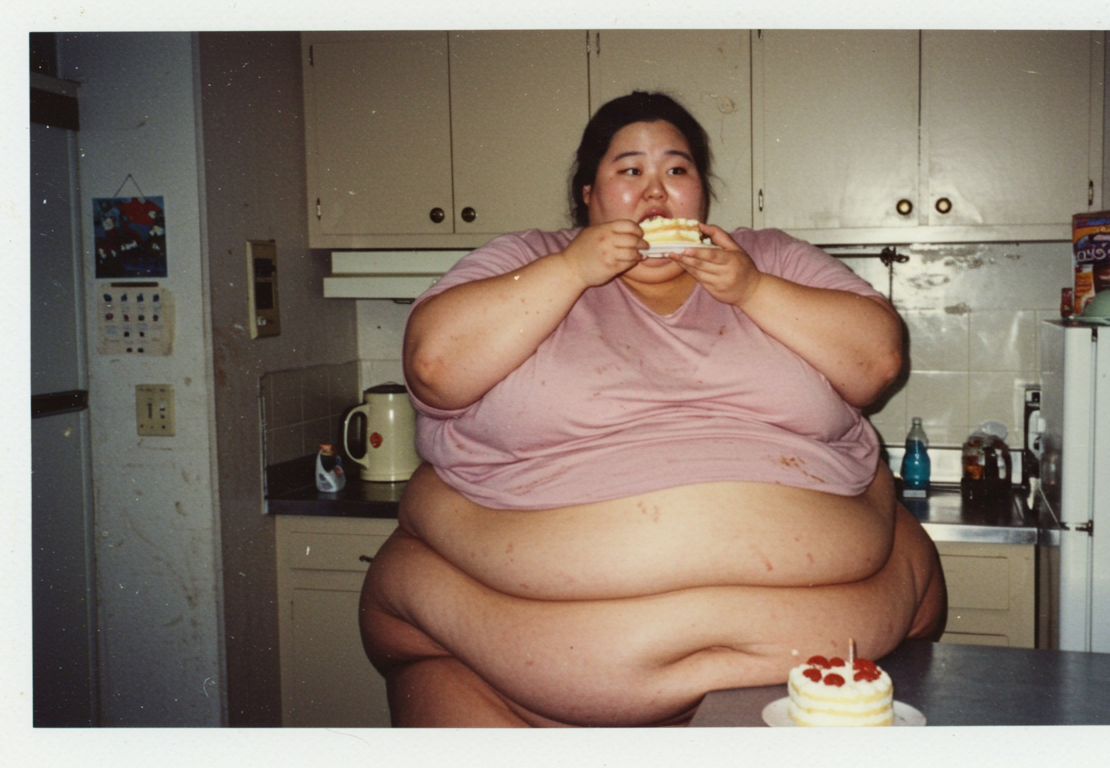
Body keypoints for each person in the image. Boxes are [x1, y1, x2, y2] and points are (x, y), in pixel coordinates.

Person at [358, 91, 946, 727]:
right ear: (588, 194)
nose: (656, 191)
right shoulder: (530, 256)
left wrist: (752, 288)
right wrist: (572, 268)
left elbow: (877, 361)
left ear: (701, 191)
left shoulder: (766, 255)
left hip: (814, 666)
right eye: (630, 170)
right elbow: (435, 367)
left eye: (677, 168)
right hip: (529, 673)